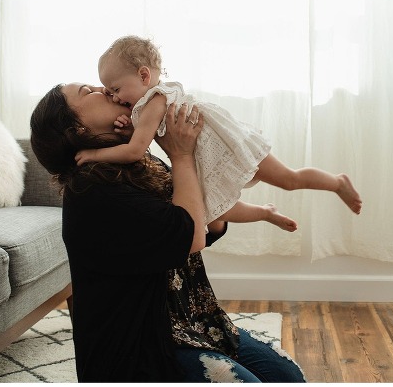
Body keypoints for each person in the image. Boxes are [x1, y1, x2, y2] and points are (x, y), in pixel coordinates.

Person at [30, 82, 306, 383]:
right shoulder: (91, 189)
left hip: (195, 323)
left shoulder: (139, 163)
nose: (105, 88)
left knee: (288, 376)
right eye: (88, 90)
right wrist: (182, 156)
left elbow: (207, 222)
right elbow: (190, 236)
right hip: (142, 349)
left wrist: (194, 153)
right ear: (77, 127)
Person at [75, 35, 362, 233]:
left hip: (228, 148)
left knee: (289, 179)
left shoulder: (154, 101)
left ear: (143, 76)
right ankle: (265, 213)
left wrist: (94, 153)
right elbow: (145, 137)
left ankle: (337, 182)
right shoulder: (148, 103)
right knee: (215, 214)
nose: (112, 97)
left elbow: (136, 150)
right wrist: (130, 129)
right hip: (207, 159)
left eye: (115, 89)